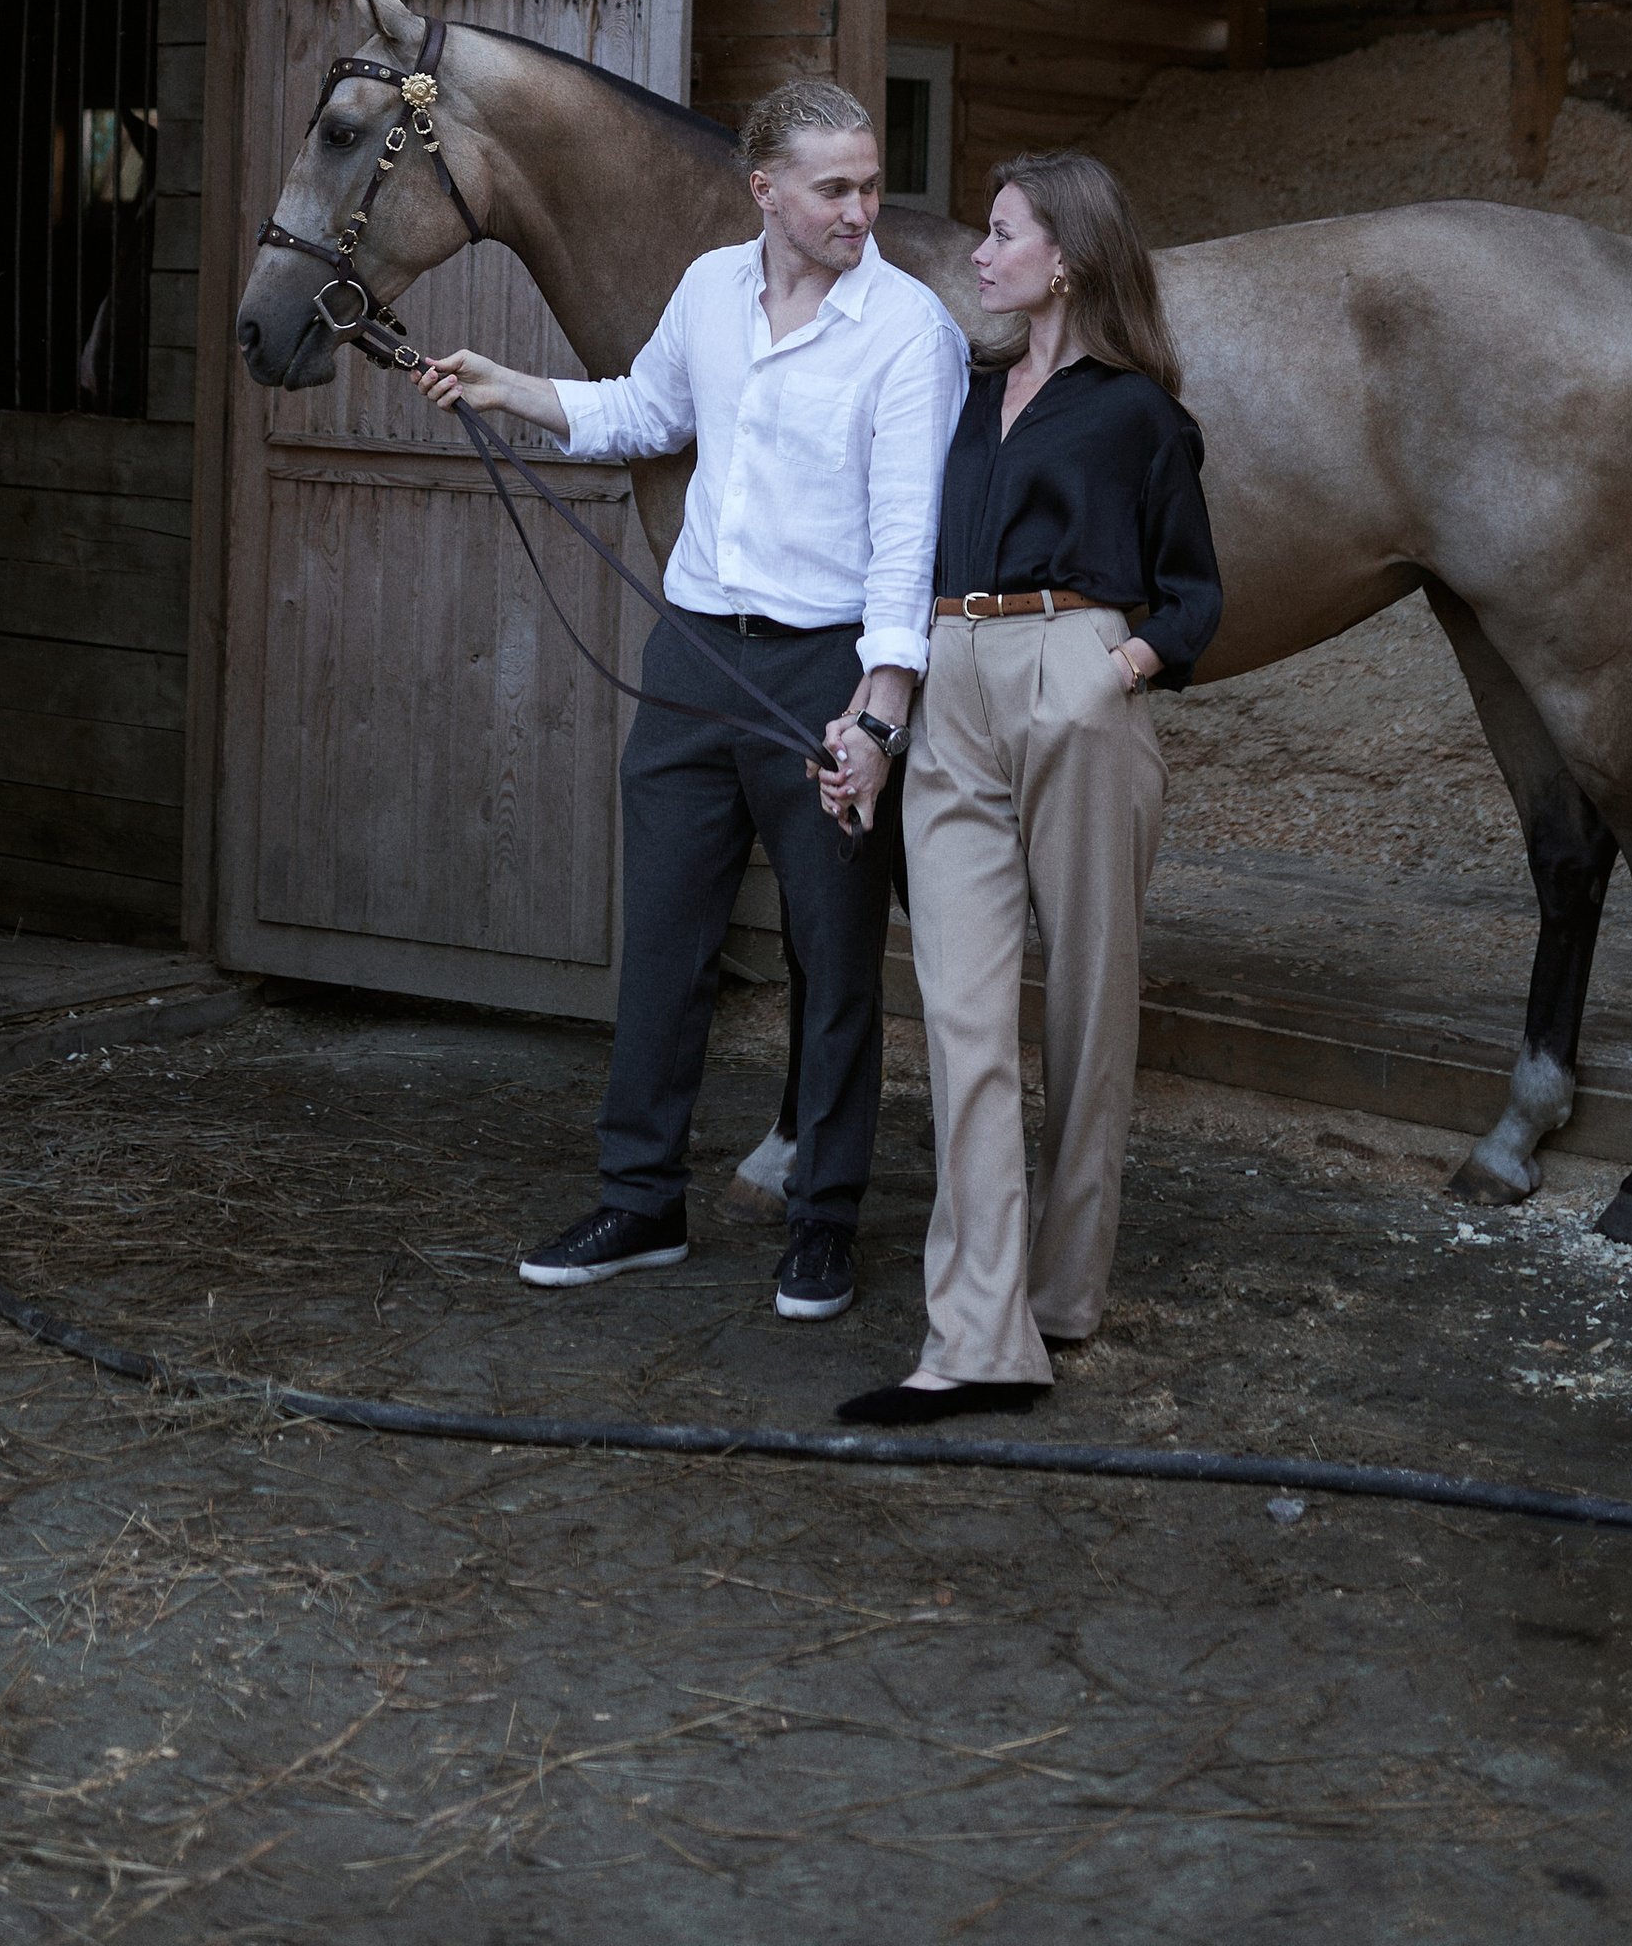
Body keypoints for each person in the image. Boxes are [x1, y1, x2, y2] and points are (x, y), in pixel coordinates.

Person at [415, 76, 967, 1325]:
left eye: (872, 185)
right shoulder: (711, 291)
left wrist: (876, 720)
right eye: (835, 188)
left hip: (824, 670)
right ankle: (641, 1200)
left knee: (833, 957)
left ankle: (824, 1216)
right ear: (762, 190)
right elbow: (647, 412)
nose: (861, 210)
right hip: (694, 658)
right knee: (663, 939)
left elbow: (907, 551)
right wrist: (509, 387)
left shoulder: (907, 331)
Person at [823, 153, 1221, 1426]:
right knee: (961, 1019)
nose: (979, 256)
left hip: (1074, 668)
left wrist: (1126, 665)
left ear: (1067, 258)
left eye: (999, 236)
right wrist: (880, 718)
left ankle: (1061, 1297)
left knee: (1089, 1007)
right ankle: (977, 1338)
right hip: (948, 679)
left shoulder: (1138, 414)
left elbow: (1195, 588)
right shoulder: (966, 395)